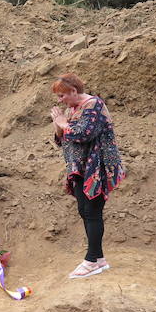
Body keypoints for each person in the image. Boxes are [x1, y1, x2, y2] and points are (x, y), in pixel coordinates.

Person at [50, 73, 125, 279]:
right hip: (80, 168)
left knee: (92, 211)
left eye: (62, 95)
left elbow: (84, 134)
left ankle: (91, 261)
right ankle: (98, 258)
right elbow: (62, 140)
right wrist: (58, 124)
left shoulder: (94, 105)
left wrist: (64, 124)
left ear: (73, 91)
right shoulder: (71, 109)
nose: (60, 100)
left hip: (97, 166)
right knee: (85, 210)